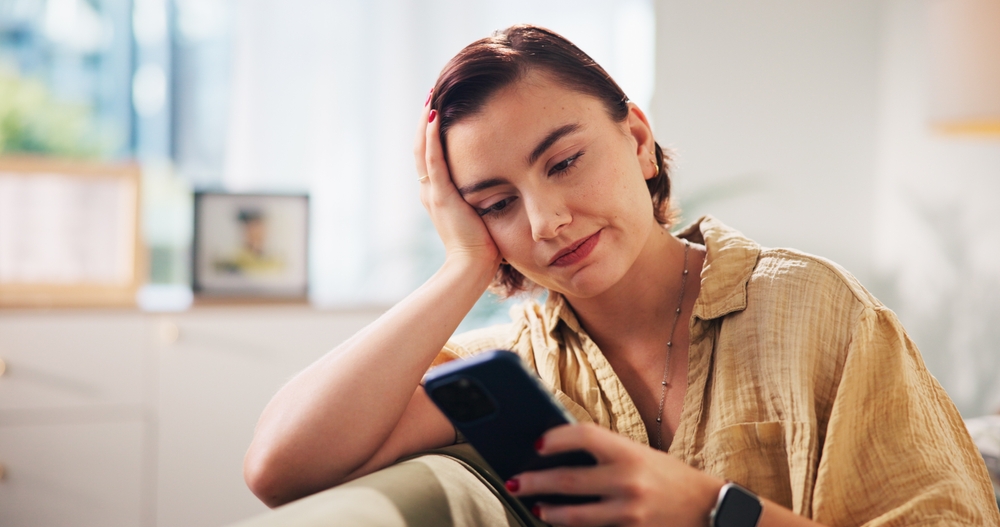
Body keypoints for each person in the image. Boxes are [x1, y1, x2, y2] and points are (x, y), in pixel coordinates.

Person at [242, 24, 1000, 526]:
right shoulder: (517, 369)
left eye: (564, 161)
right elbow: (278, 465)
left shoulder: (812, 307)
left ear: (637, 139)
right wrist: (462, 266)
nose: (545, 221)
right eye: (497, 203)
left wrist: (714, 509)